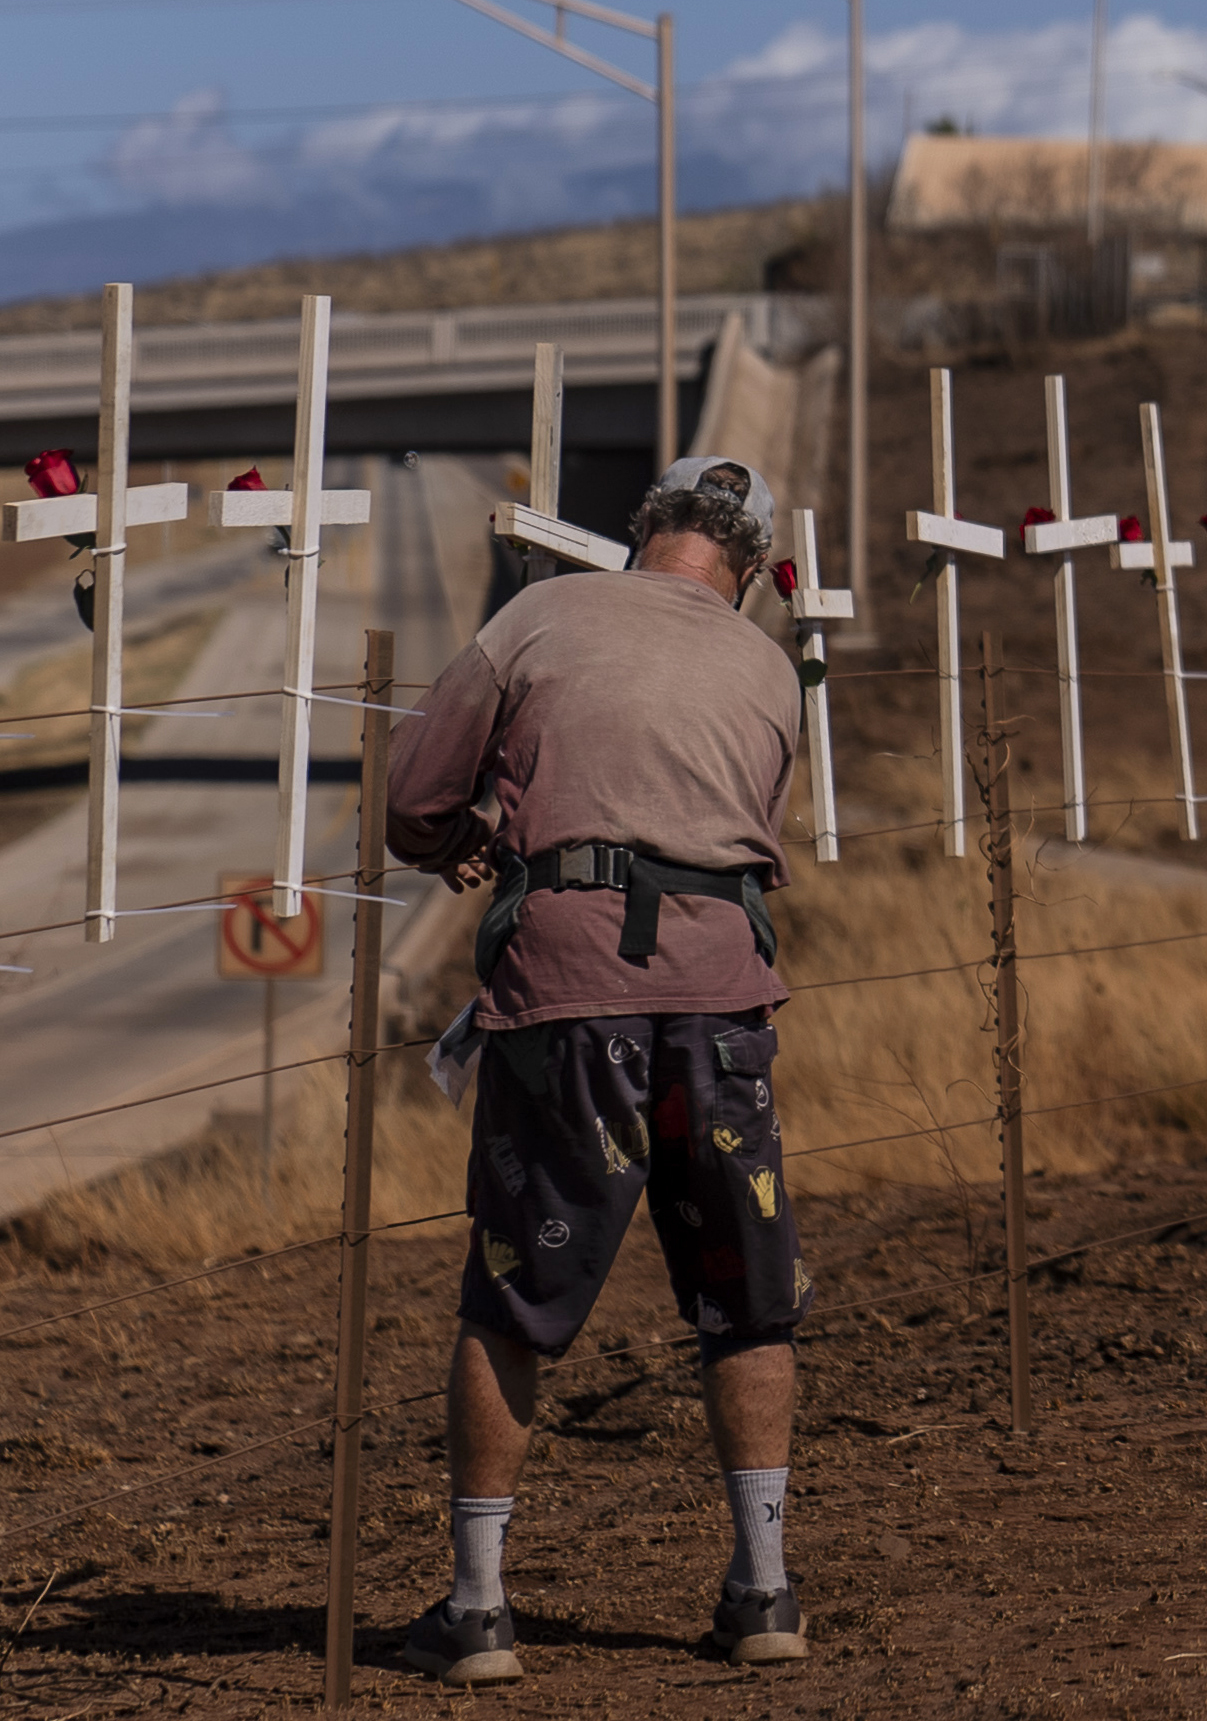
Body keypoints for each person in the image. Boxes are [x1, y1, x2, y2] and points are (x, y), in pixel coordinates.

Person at [383, 456, 812, 1683]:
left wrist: (466, 838)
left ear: (644, 534)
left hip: (570, 999)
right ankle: (765, 1591)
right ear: (750, 568)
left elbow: (417, 794)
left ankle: (477, 1612)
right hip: (723, 999)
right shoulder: (768, 665)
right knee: (747, 1293)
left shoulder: (537, 618)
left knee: (515, 1291)